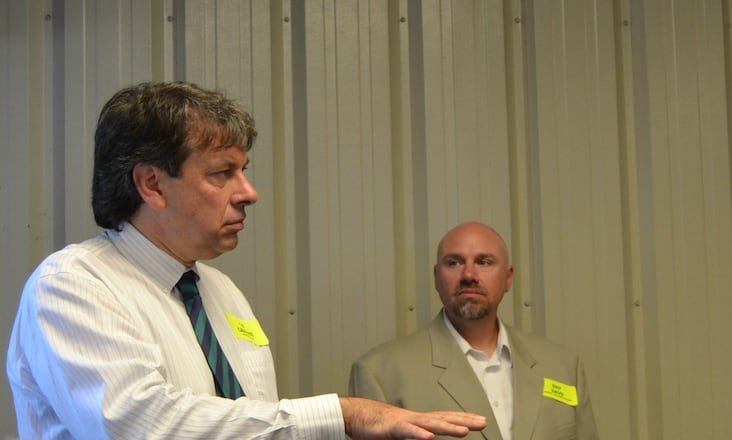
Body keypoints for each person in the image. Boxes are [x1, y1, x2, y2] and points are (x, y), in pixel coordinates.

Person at [5, 81, 486, 439]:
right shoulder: (73, 285)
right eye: (223, 173)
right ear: (152, 185)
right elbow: (141, 426)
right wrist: (341, 414)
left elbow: (253, 423)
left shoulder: (220, 291)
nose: (249, 192)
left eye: (244, 171)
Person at [348, 222, 599, 440]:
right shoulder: (380, 374)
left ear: (508, 277)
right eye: (454, 262)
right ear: (436, 277)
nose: (469, 274)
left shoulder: (563, 367)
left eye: (484, 262)